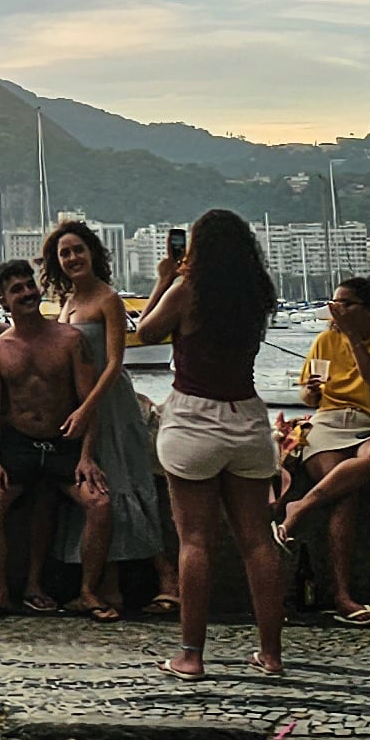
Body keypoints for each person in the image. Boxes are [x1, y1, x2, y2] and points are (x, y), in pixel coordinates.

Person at [133, 208, 283, 679]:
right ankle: (271, 654)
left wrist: (164, 279)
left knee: (194, 540)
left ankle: (192, 655)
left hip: (194, 416)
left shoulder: (187, 290)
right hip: (247, 416)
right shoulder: (257, 295)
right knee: (258, 542)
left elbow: (146, 331)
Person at [44, 219, 171, 621]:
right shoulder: (68, 302)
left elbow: (116, 362)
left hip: (109, 405)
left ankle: (169, 580)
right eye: (64, 253)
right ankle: (109, 584)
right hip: (81, 406)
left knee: (125, 486)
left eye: (78, 249)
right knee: (100, 491)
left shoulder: (107, 299)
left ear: (93, 253)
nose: (72, 258)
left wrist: (87, 407)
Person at [0, 255, 104, 623]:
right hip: (20, 443)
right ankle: (1, 591)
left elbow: (88, 402)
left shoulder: (69, 339)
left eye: (30, 285)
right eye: (17, 289)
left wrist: (87, 456)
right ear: (3, 301)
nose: (28, 293)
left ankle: (88, 592)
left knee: (99, 504)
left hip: (64, 441)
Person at [282, 274, 370, 627]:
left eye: (346, 303)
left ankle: (300, 506)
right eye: (335, 303)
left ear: (368, 309)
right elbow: (309, 396)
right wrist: (313, 391)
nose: (337, 309)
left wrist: (353, 338)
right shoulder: (324, 341)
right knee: (345, 494)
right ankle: (342, 596)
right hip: (330, 423)